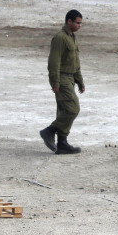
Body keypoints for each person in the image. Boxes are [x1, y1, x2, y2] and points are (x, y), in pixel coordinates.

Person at [39, 10, 85, 154]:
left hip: (70, 78)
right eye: (78, 23)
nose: (80, 26)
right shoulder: (60, 38)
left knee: (64, 110)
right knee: (73, 109)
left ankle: (62, 143)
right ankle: (49, 131)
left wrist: (80, 81)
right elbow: (54, 62)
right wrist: (55, 83)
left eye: (81, 23)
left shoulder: (72, 37)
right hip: (62, 78)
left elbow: (75, 63)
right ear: (69, 21)